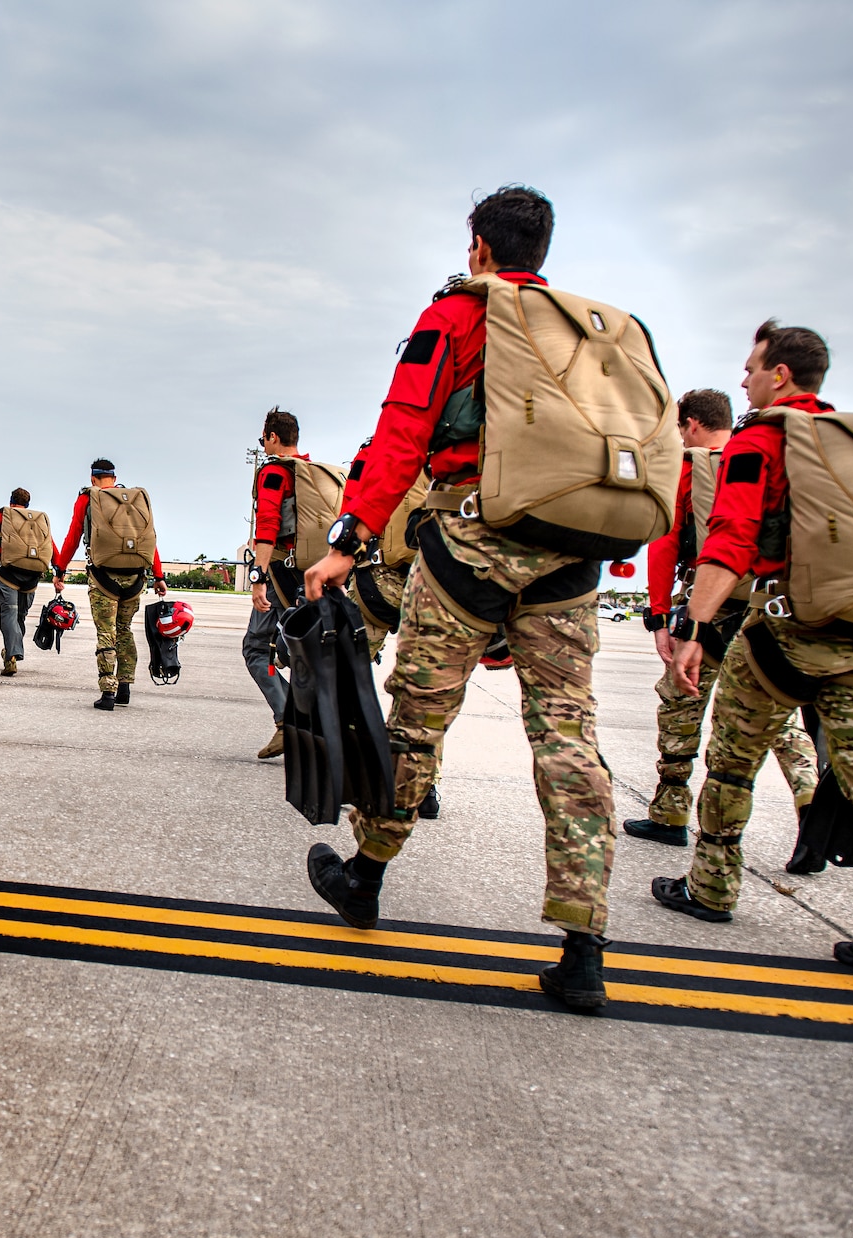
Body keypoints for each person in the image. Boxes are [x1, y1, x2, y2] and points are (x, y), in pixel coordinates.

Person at [299, 185, 624, 1009]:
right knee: (568, 733)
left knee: (418, 718)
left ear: (478, 244)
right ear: (540, 250)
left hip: (472, 542)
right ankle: (584, 944)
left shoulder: (458, 315)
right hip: (569, 560)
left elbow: (404, 430)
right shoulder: (587, 335)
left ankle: (366, 877)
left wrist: (349, 541)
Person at [652, 321, 853, 973]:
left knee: (731, 754)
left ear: (781, 375)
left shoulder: (764, 437)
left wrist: (693, 627)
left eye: (752, 368)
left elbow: (731, 537)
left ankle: (711, 886)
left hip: (791, 626)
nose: (745, 379)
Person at [626, 390, 816, 846]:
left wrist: (658, 617)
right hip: (766, 603)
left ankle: (670, 813)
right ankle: (812, 804)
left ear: (691, 425)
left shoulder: (692, 468)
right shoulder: (769, 455)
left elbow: (667, 541)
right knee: (778, 714)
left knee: (681, 702)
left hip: (711, 605)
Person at [53, 459, 167, 710]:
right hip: (136, 577)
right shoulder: (134, 499)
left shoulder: (89, 498)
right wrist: (158, 576)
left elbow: (73, 535)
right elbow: (150, 539)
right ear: (114, 478)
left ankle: (107, 693)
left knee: (106, 632)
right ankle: (125, 688)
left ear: (93, 478)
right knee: (124, 629)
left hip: (104, 578)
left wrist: (60, 569)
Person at [245, 408, 308, 758]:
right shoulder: (314, 472)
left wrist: (259, 577)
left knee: (256, 649)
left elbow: (267, 524)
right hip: (312, 577)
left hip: (281, 574)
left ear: (272, 437)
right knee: (304, 652)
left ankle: (288, 719)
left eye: (263, 439)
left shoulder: (274, 471)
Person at [0, 487, 51, 676]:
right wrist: (59, 570)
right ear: (27, 504)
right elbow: (50, 545)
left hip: (7, 575)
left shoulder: (3, 516)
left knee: (9, 614)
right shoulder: (38, 520)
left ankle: (12, 656)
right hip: (31, 578)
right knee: (20, 616)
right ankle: (12, 651)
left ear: (11, 501)